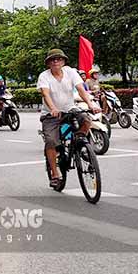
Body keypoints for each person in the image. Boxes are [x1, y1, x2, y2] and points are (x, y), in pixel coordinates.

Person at [37, 48, 100, 188]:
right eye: (53, 60)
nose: (56, 62)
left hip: (69, 109)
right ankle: (54, 173)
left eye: (59, 59)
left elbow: (81, 89)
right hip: (51, 114)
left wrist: (90, 104)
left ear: (63, 61)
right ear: (48, 63)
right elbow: (45, 94)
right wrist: (53, 108)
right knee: (51, 141)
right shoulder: (44, 76)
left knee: (87, 119)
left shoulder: (71, 72)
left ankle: (79, 142)